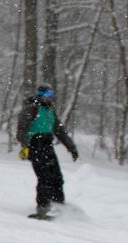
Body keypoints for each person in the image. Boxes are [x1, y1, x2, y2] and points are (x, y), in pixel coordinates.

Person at [16, 84, 79, 215]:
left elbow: (59, 130)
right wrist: (26, 146)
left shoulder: (50, 110)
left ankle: (58, 205)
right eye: (47, 95)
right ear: (40, 95)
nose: (50, 98)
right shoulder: (31, 109)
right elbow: (21, 131)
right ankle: (43, 207)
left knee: (57, 176)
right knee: (44, 177)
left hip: (47, 144)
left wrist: (71, 147)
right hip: (35, 144)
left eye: (51, 95)